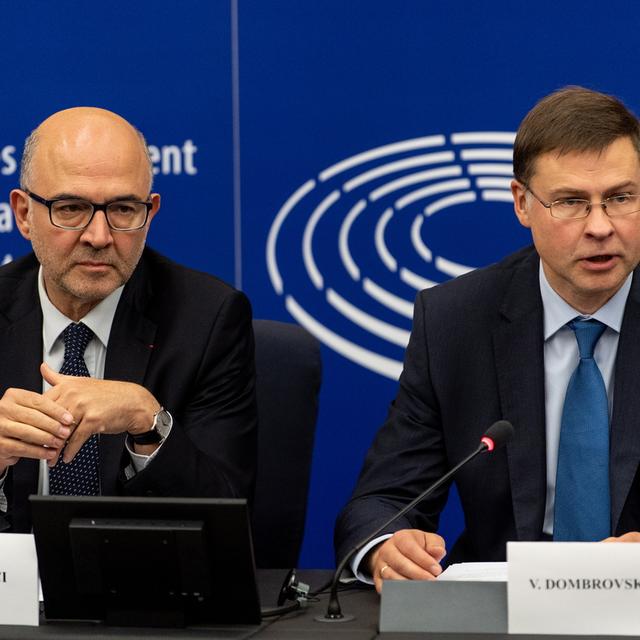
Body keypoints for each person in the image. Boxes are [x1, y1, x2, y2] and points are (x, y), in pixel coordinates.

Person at [335, 86, 640, 593]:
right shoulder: (456, 321)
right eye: (570, 203)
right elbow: (382, 501)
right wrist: (388, 547)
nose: (601, 227)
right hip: (501, 612)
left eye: (621, 198)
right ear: (522, 202)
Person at [0, 107, 257, 532]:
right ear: (24, 214)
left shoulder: (208, 319)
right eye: (71, 208)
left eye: (122, 209)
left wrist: (150, 422)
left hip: (142, 588)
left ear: (150, 212)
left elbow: (229, 521)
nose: (99, 237)